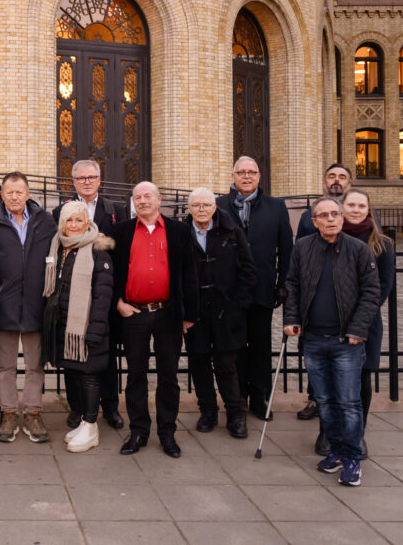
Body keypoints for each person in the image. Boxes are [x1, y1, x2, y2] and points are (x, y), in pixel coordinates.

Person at [283, 196, 381, 487]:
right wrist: (291, 318)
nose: (330, 219)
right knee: (324, 400)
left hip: (346, 342)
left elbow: (371, 293)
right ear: (314, 222)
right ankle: (336, 451)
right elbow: (292, 284)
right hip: (313, 339)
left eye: (335, 214)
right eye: (323, 215)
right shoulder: (303, 248)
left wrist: (357, 329)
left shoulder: (359, 250)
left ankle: (352, 458)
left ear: (341, 218)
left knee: (349, 402)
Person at [111, 181, 198, 458]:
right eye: (137, 197)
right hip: (134, 313)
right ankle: (138, 431)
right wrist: (118, 303)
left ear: (159, 199)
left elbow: (189, 274)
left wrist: (189, 316)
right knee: (135, 375)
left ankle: (167, 433)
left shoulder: (179, 231)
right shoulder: (121, 231)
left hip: (168, 313)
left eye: (148, 196)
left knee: (168, 376)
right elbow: (110, 272)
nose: (143, 200)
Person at [215, 156, 292, 422]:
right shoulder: (219, 205)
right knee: (233, 347)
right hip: (228, 291)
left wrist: (283, 283)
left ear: (259, 177)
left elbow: (287, 248)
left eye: (251, 172)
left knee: (260, 345)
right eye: (241, 172)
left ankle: (258, 398)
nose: (246, 176)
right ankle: (235, 400)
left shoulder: (276, 207)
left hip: (261, 288)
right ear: (233, 176)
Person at [52, 159, 126, 430]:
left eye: (91, 177)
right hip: (73, 298)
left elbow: (120, 249)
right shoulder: (60, 210)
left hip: (103, 293)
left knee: (105, 356)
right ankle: (77, 408)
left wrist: (98, 241)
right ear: (73, 182)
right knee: (72, 356)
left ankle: (110, 407)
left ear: (99, 179)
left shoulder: (115, 209)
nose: (86, 182)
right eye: (81, 178)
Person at [0, 172, 57, 443]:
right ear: (1, 195)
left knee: (35, 364)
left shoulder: (45, 221)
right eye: (9, 192)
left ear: (28, 194)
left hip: (36, 302)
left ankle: (33, 412)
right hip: (5, 302)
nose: (14, 197)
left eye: (19, 192)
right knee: (5, 365)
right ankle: (9, 411)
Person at [41, 201, 115, 453]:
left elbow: (103, 295)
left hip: (86, 327)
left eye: (78, 220)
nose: (73, 225)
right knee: (74, 374)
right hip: (65, 325)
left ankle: (91, 425)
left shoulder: (97, 249)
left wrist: (95, 329)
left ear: (87, 222)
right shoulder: (59, 246)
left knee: (89, 376)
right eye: (68, 220)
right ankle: (84, 421)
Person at [184, 188, 257, 439]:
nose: (201, 209)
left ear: (215, 207)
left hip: (227, 310)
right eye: (196, 205)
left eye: (206, 204)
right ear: (189, 208)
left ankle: (236, 413)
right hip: (195, 312)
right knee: (199, 362)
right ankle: (208, 411)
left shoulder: (232, 231)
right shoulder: (182, 234)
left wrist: (239, 305)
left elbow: (248, 270)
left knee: (227, 365)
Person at [294, 163, 352, 427]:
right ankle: (315, 398)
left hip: (349, 303)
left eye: (341, 177)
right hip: (317, 301)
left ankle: (347, 410)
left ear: (349, 183)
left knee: (348, 366)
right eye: (331, 176)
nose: (336, 181)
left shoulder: (360, 210)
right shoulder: (309, 215)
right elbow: (301, 253)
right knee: (314, 354)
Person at [339, 188, 395, 459]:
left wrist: (359, 319)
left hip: (366, 325)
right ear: (343, 207)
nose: (357, 209)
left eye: (362, 205)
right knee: (331, 380)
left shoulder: (381, 244)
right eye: (352, 205)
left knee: (361, 378)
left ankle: (357, 434)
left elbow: (383, 288)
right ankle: (330, 431)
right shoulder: (329, 237)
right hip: (331, 322)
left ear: (369, 209)